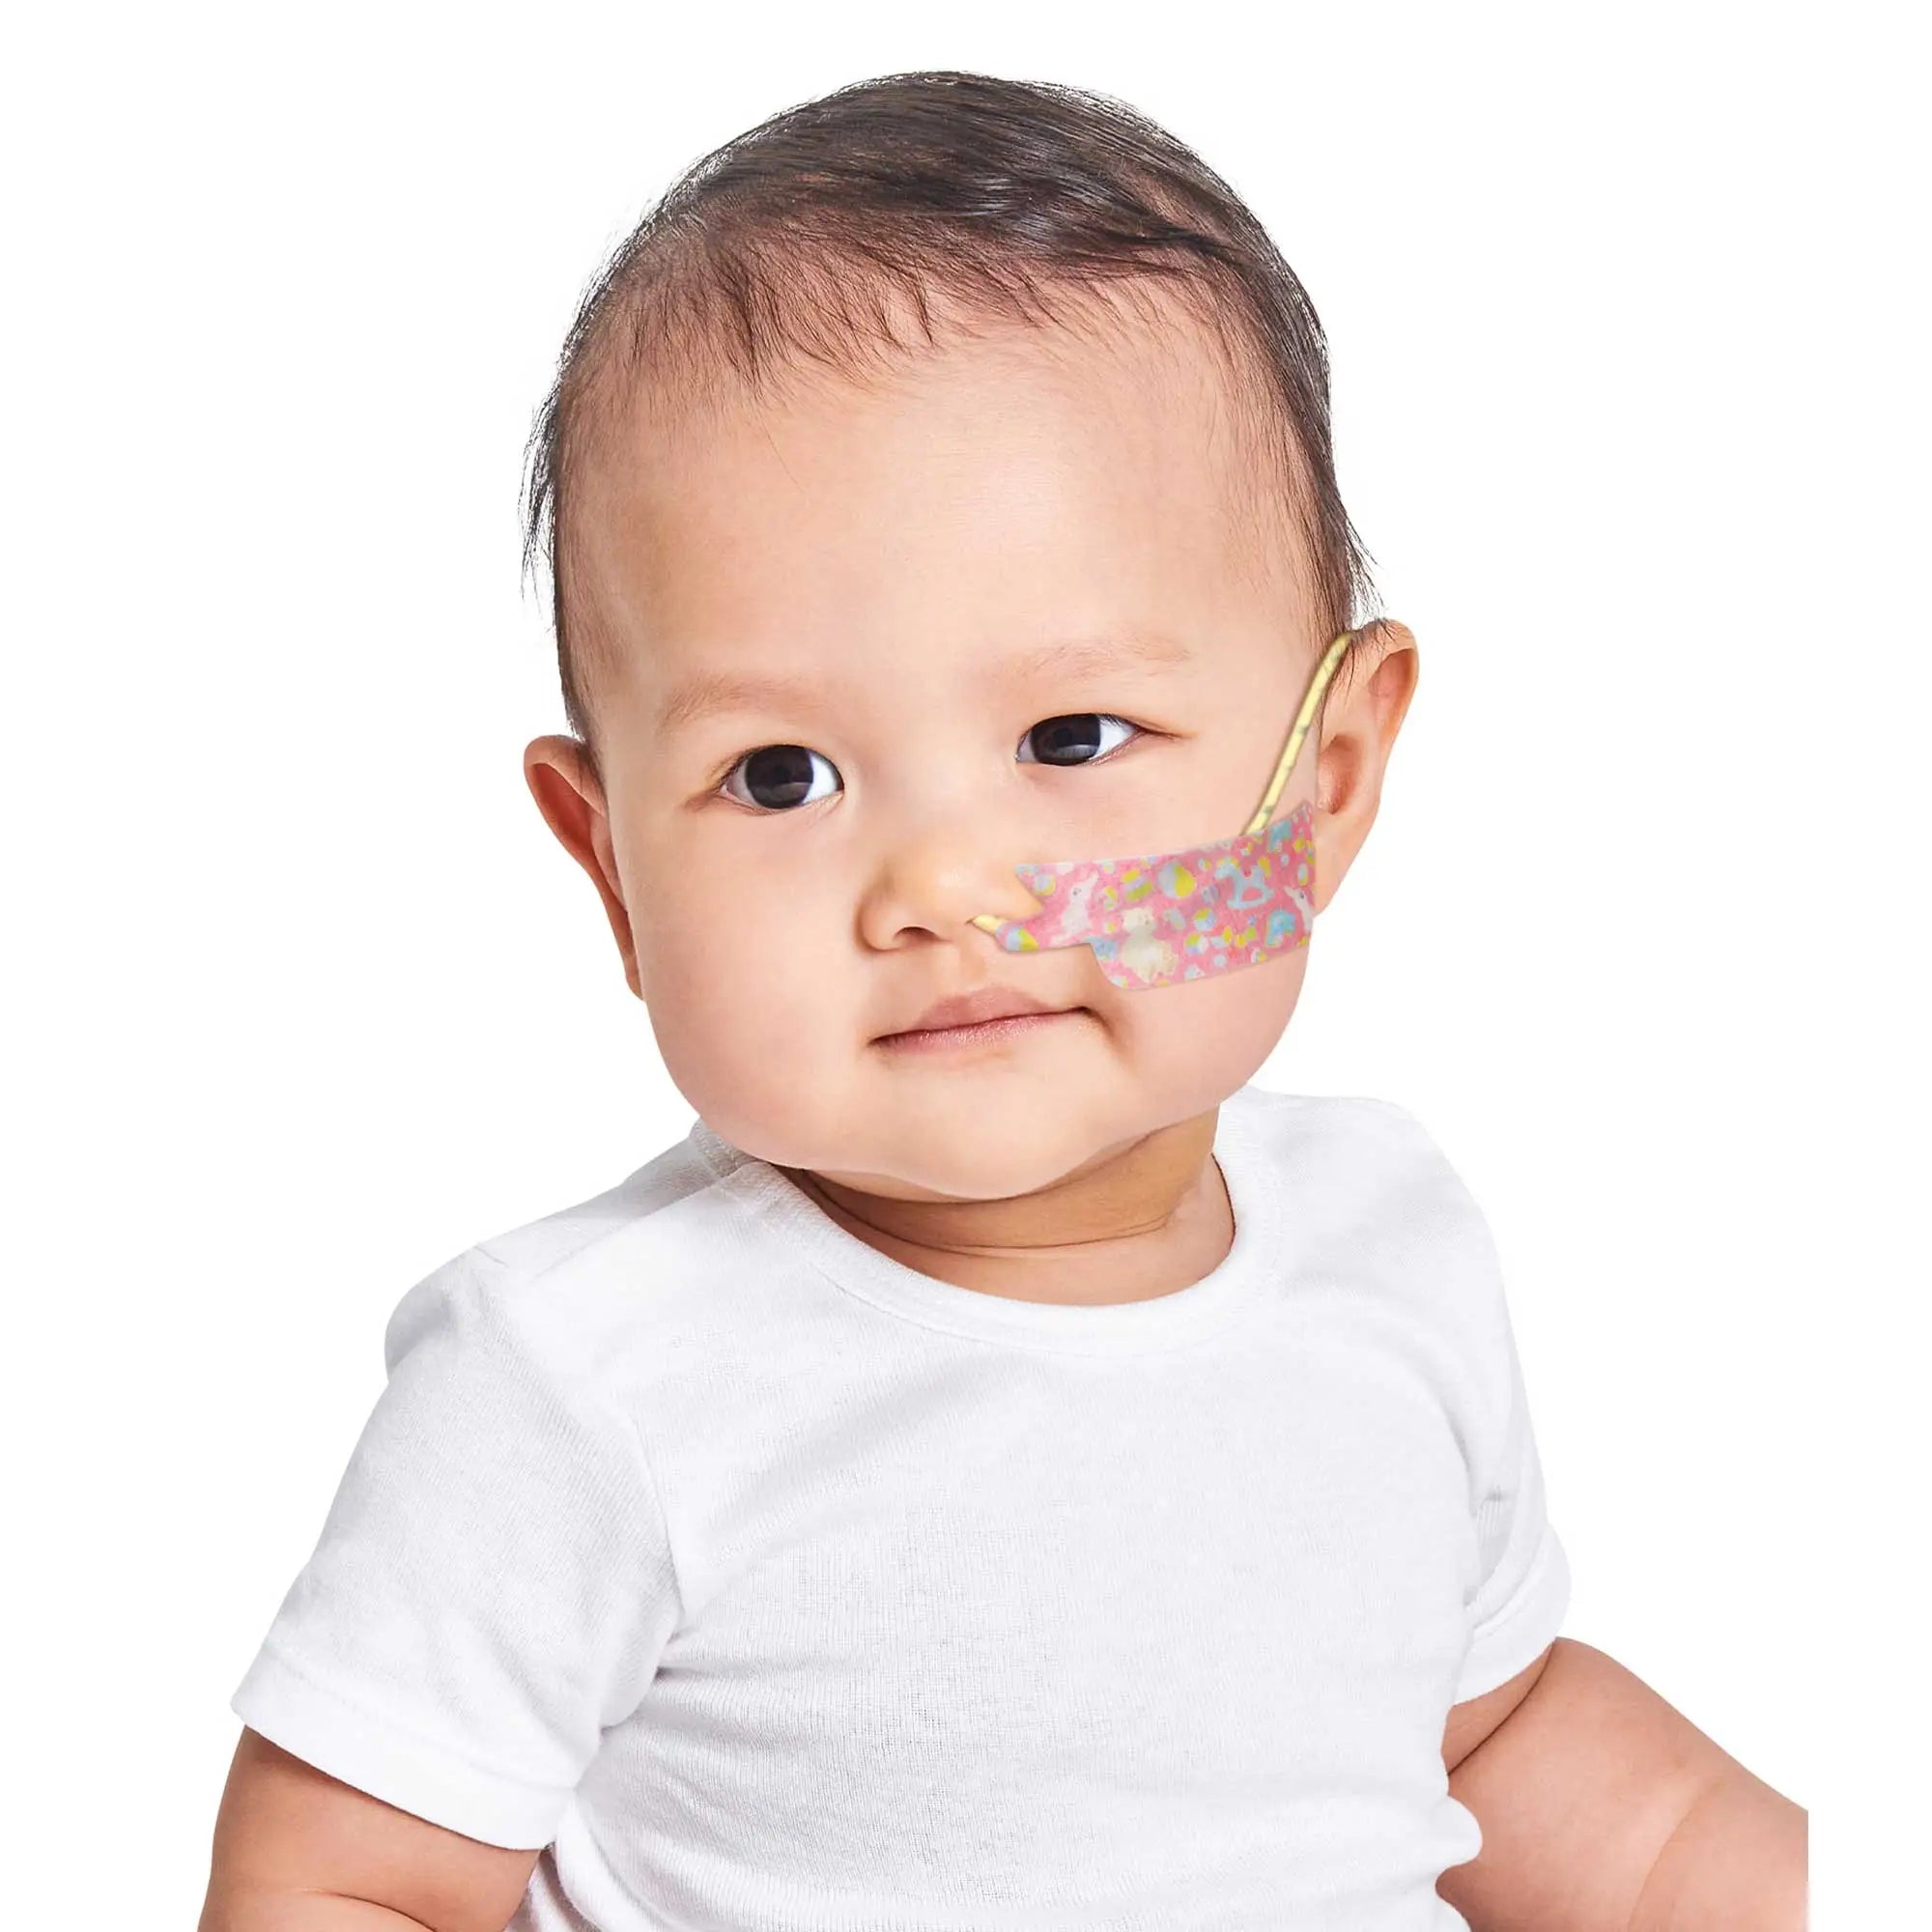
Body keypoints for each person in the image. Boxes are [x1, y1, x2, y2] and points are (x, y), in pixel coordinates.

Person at [198, 69, 1805, 1932]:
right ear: (612, 869)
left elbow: (1493, 1745)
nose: (946, 889)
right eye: (782, 775)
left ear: (1325, 784)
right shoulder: (581, 1380)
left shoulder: (1395, 1249)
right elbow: (347, 1884)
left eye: (1072, 737)